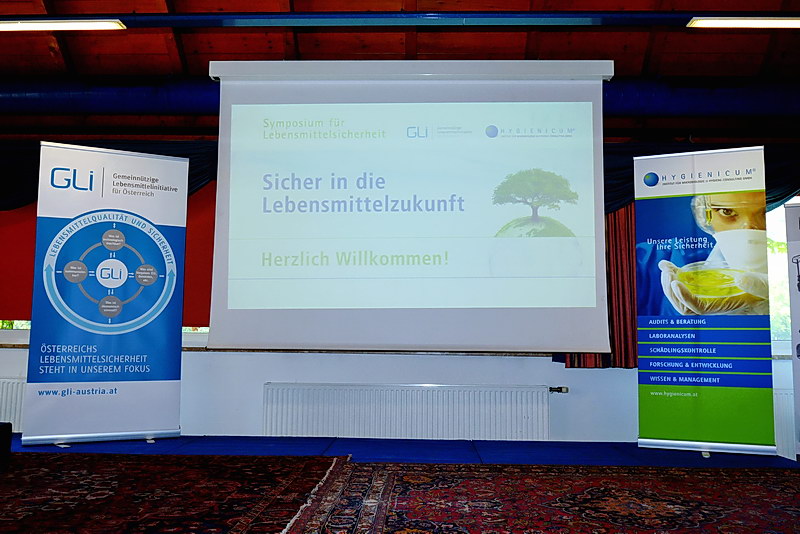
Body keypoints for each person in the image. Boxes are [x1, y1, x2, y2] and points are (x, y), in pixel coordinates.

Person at [656, 191, 768, 315]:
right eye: (727, 211)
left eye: (766, 212)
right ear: (704, 215)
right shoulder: (672, 255)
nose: (748, 229)